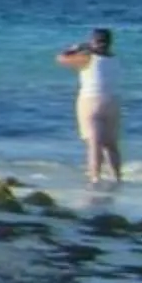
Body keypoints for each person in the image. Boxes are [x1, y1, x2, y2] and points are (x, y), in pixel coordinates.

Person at [58, 27, 122, 184]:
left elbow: (61, 59)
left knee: (94, 143)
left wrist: (75, 48)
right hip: (112, 102)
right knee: (111, 143)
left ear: (93, 41)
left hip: (91, 100)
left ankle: (95, 177)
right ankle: (117, 176)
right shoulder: (114, 59)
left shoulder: (87, 58)